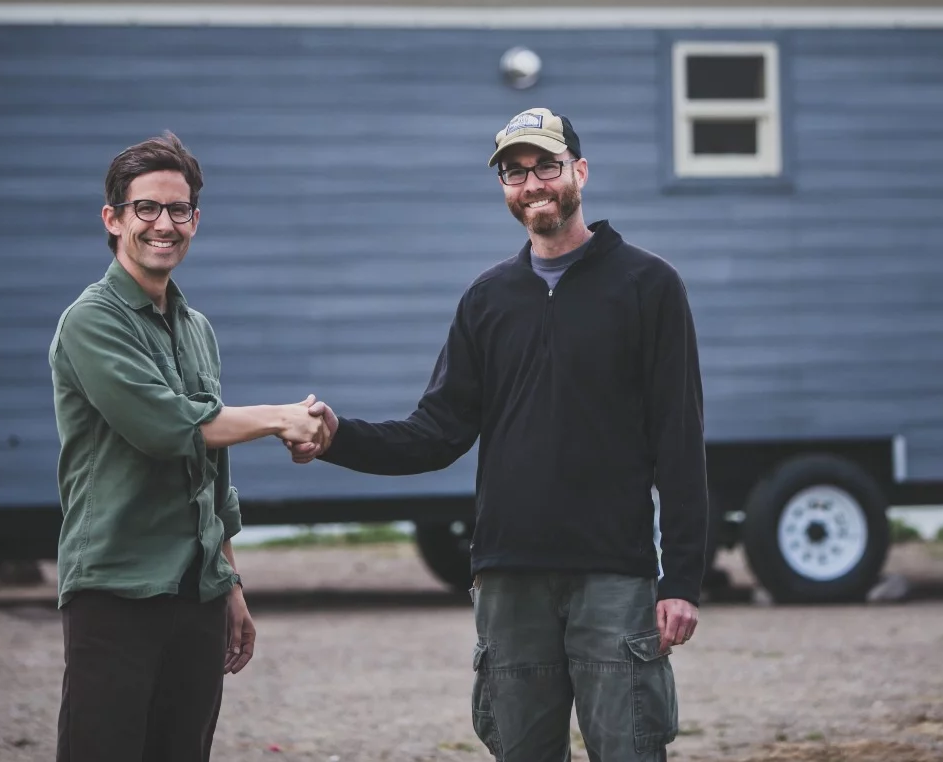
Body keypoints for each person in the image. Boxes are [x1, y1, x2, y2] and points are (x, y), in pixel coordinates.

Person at [294, 108, 707, 761]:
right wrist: (339, 437)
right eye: (514, 173)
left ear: (580, 171)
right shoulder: (488, 300)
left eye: (545, 165)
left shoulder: (648, 286)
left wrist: (681, 577)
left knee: (630, 750)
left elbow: (679, 442)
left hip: (614, 577)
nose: (532, 183)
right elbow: (436, 432)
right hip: (509, 581)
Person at [50, 131, 331, 762]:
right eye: (146, 208)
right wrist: (282, 418)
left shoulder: (196, 328)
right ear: (113, 218)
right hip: (116, 588)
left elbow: (210, 473)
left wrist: (228, 581)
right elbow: (166, 427)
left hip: (196, 594)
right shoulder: (91, 321)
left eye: (179, 211)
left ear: (195, 221)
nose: (164, 224)